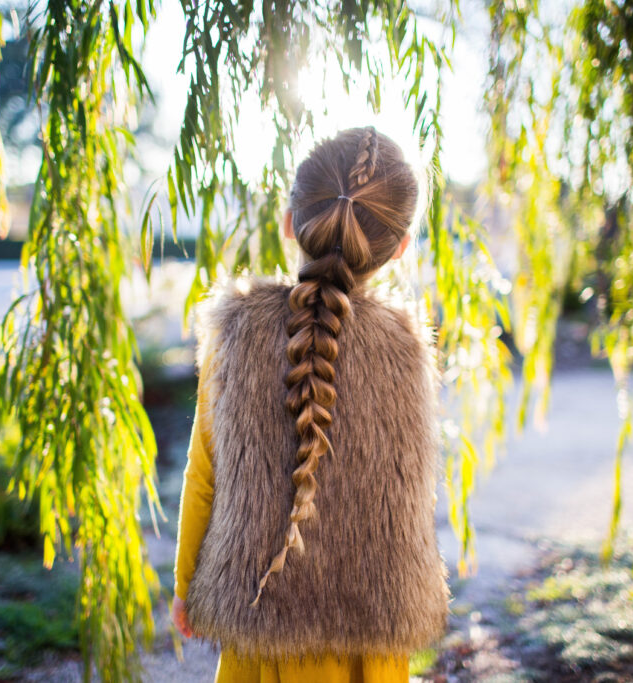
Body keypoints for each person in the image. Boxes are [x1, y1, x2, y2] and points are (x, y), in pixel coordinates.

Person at [171, 126, 449, 683]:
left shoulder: (237, 334)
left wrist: (186, 589)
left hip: (261, 631)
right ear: (400, 247)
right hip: (368, 645)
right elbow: (412, 495)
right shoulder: (407, 351)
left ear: (290, 223)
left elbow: (205, 475)